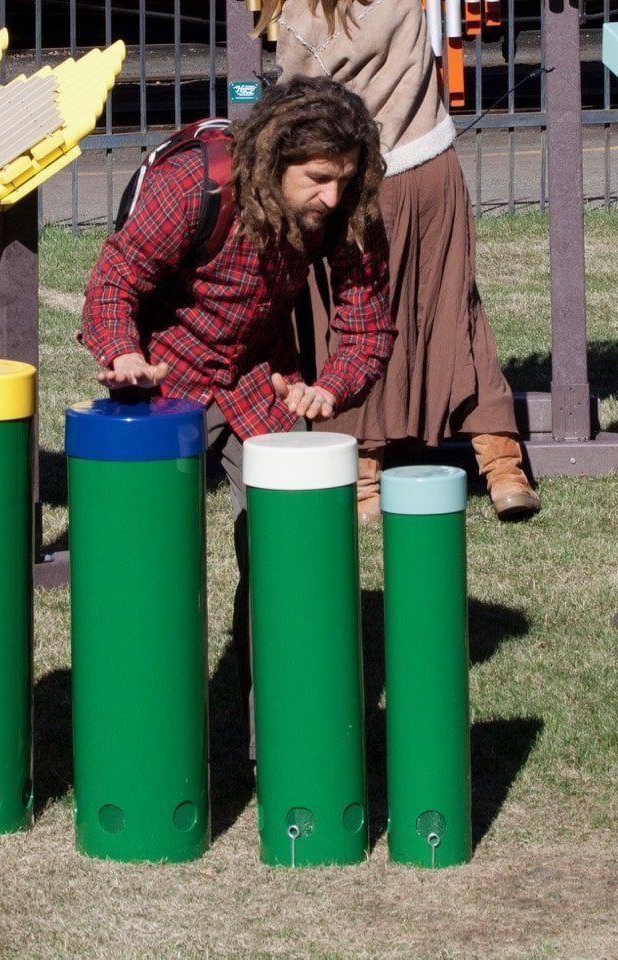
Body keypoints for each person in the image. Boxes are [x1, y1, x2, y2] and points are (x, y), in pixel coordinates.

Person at [79, 74, 395, 730]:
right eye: (315, 177)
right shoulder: (196, 183)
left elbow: (368, 328)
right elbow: (116, 281)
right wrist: (123, 354)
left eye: (343, 178)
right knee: (147, 570)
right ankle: (145, 738)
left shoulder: (347, 206)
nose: (331, 196)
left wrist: (329, 387)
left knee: (291, 555)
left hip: (256, 380)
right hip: (158, 384)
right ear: (273, 159)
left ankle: (278, 740)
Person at [262, 0, 541, 522]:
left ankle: (363, 481)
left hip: (355, 180)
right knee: (455, 311)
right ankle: (504, 469)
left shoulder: (304, 13)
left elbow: (297, 110)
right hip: (433, 168)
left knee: (346, 317)